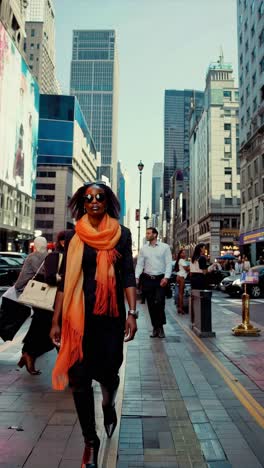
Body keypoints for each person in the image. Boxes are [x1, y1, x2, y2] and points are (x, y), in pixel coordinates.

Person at [50, 182, 137, 468]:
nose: (94, 201)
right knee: (79, 379)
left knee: (109, 373)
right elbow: (63, 282)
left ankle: (108, 403)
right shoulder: (75, 237)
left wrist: (132, 313)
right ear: (83, 204)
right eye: (89, 198)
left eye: (100, 197)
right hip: (78, 319)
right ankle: (90, 440)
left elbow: (127, 276)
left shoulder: (122, 235)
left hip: (110, 319)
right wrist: (56, 320)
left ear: (107, 202)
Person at [16, 234, 65, 375]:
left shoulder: (44, 256)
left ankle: (28, 354)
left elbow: (23, 278)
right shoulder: (54, 256)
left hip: (46, 300)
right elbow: (48, 277)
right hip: (48, 300)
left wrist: (18, 288)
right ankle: (29, 354)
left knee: (41, 329)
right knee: (49, 330)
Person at [135, 227, 172, 338]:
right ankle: (155, 328)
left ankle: (160, 327)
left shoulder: (165, 247)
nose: (147, 235)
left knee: (159, 303)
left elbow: (169, 263)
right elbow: (140, 264)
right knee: (150, 304)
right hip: (147, 279)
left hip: (160, 279)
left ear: (155, 235)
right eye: (146, 233)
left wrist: (166, 278)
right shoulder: (143, 249)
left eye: (149, 233)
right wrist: (136, 277)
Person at [175, 249, 189, 315]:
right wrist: (192, 265)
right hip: (181, 277)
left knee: (179, 293)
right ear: (180, 254)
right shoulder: (181, 260)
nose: (184, 254)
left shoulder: (181, 260)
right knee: (181, 294)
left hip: (179, 276)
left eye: (184, 253)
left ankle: (179, 307)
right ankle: (180, 308)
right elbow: (186, 269)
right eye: (183, 253)